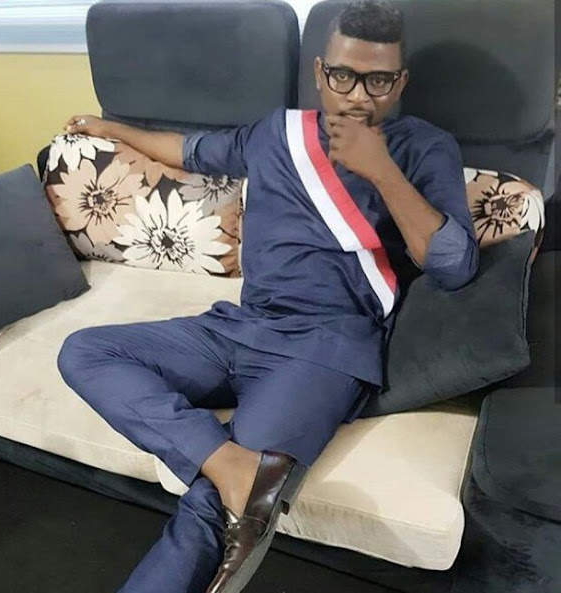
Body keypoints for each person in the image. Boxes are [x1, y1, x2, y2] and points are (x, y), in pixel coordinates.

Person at [56, 1, 479, 592]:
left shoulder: (423, 147)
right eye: (344, 76)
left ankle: (233, 484)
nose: (359, 97)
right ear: (320, 73)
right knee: (85, 351)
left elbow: (454, 265)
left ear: (400, 81)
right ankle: (236, 467)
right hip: (238, 327)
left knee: (211, 510)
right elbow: (191, 150)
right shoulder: (277, 132)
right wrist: (114, 130)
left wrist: (381, 170)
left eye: (379, 80)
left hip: (323, 348)